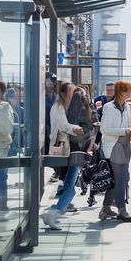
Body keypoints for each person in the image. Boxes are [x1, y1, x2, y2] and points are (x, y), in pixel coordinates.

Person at [41, 82, 84, 230]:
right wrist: (76, 128)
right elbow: (63, 125)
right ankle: (54, 211)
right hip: (66, 149)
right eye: (72, 92)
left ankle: (53, 211)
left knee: (69, 184)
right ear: (65, 94)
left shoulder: (68, 107)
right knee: (71, 186)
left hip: (71, 149)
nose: (75, 95)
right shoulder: (58, 107)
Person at [99, 81, 131, 222]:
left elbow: (130, 122)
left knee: (118, 179)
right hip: (114, 147)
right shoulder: (108, 108)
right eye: (129, 90)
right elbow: (104, 129)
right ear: (121, 92)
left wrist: (130, 129)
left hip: (124, 145)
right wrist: (123, 131)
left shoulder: (127, 106)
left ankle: (106, 208)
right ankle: (122, 210)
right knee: (122, 178)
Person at [0, 81, 14, 212]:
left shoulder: (5, 106)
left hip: (1, 149)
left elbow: (6, 129)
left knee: (1, 178)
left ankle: (2, 205)